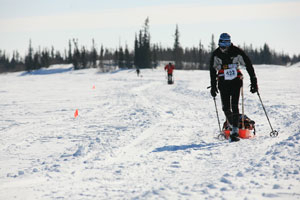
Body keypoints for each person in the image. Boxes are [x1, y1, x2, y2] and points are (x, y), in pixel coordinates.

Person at [209, 33, 258, 142]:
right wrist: (213, 86)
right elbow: (212, 70)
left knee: (235, 106)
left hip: (235, 81)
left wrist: (254, 81)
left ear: (229, 42)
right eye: (221, 43)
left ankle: (234, 132)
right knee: (225, 107)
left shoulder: (237, 52)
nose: (223, 46)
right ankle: (232, 125)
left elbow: (248, 65)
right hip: (223, 82)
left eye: (225, 43)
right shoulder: (216, 54)